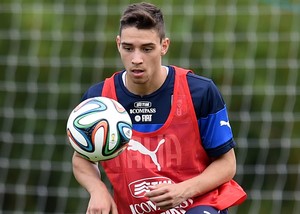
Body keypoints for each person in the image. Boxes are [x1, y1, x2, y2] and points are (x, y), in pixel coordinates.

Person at [72, 2, 247, 214]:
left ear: (164, 46)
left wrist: (183, 191)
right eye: (128, 48)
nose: (137, 59)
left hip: (197, 205)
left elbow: (227, 164)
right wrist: (98, 189)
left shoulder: (199, 92)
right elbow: (82, 158)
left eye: (147, 49)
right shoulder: (99, 100)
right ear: (118, 44)